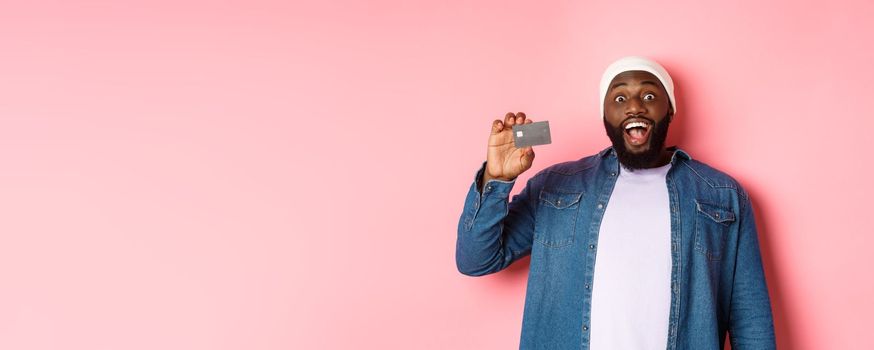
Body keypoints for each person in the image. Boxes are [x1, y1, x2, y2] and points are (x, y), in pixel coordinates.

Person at [455, 56, 776, 349]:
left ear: (670, 109)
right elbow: (476, 259)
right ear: (604, 114)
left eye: (649, 96)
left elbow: (750, 317)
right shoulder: (556, 187)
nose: (634, 106)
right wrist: (496, 180)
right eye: (619, 97)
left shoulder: (721, 194)